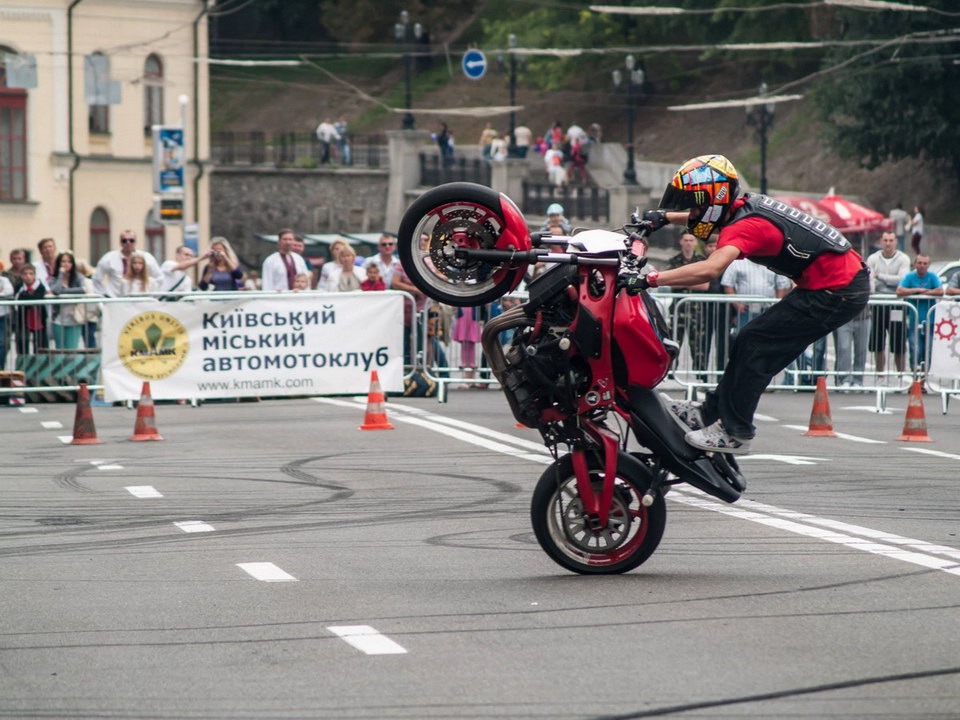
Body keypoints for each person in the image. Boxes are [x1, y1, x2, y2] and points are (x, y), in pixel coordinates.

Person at [626, 154, 869, 454]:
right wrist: (663, 218)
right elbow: (710, 218)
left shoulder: (744, 228)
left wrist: (650, 279)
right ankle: (707, 413)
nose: (691, 212)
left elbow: (709, 270)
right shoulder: (743, 207)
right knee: (748, 340)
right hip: (834, 282)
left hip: (837, 289)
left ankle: (737, 431)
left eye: (694, 206)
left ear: (715, 202)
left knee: (756, 345)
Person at [866, 231, 910, 383]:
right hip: (878, 303)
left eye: (891, 240)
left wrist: (881, 277)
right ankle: (880, 375)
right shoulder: (873, 258)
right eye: (885, 240)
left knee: (898, 341)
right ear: (881, 241)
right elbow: (870, 280)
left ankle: (901, 375)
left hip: (897, 304)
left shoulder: (903, 258)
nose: (888, 243)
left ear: (896, 242)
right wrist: (883, 280)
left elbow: (902, 281)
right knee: (878, 341)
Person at [667, 233, 709, 378]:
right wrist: (692, 281)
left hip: (696, 309)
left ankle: (700, 374)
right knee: (674, 341)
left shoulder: (701, 260)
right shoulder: (674, 261)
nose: (688, 243)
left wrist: (682, 280)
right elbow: (670, 282)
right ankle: (671, 373)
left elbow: (705, 285)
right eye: (686, 240)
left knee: (697, 343)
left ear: (695, 242)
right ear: (681, 242)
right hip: (678, 308)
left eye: (691, 240)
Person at [896, 254, 942, 371]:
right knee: (915, 350)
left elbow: (940, 291)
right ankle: (915, 378)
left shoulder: (932, 276)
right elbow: (899, 291)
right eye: (920, 263)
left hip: (930, 323)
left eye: (925, 263)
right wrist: (917, 290)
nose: (922, 266)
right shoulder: (910, 276)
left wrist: (924, 294)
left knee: (929, 351)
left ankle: (923, 379)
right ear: (915, 264)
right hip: (913, 322)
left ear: (928, 265)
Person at [92, 231, 161, 297]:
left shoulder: (146, 257)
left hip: (143, 301)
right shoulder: (109, 258)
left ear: (135, 242)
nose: (128, 243)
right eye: (124, 240)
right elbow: (96, 278)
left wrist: (153, 296)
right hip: (114, 299)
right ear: (120, 242)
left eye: (131, 240)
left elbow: (159, 277)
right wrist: (105, 294)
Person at [49, 252, 88, 349]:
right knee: (60, 350)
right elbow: (56, 290)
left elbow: (83, 290)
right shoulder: (54, 279)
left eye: (69, 261)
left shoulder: (78, 277)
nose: (66, 264)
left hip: (75, 319)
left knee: (72, 350)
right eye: (63, 261)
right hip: (58, 319)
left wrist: (64, 291)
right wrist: (61, 275)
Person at [13, 265, 48, 355]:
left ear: (35, 275)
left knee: (40, 343)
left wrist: (26, 297)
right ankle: (23, 363)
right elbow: (18, 299)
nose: (28, 276)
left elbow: (36, 298)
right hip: (23, 318)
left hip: (38, 318)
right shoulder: (19, 286)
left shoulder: (40, 286)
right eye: (25, 274)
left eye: (31, 274)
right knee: (22, 341)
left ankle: (40, 365)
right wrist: (27, 297)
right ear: (21, 275)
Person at [0, 271, 13, 367]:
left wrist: (3, 292)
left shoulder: (4, 280)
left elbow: (9, 291)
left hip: (2, 316)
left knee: (2, 343)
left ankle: (1, 368)